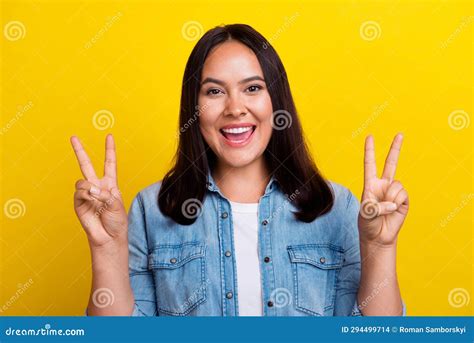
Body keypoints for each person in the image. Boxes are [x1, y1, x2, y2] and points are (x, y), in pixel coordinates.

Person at [71, 24, 409, 316]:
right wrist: (107, 248)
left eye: (253, 88)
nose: (235, 108)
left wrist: (380, 248)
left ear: (276, 101)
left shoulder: (337, 207)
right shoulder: (152, 210)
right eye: (214, 91)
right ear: (195, 108)